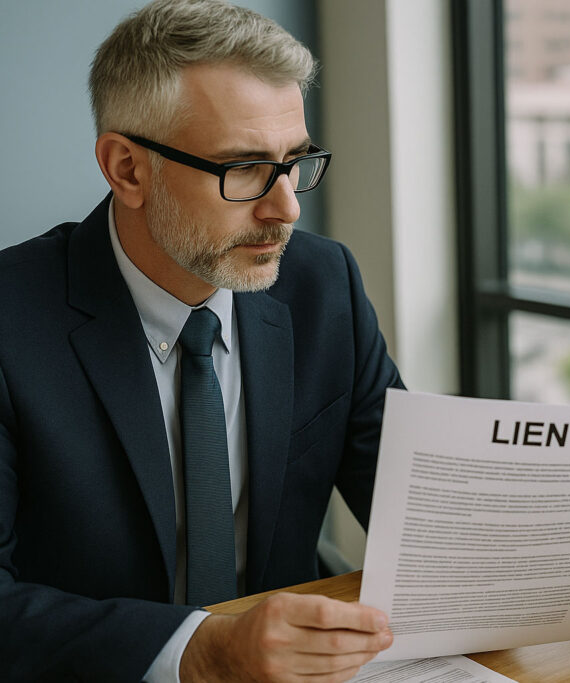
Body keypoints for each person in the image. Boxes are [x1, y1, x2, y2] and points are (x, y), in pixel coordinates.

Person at [0, 1, 403, 681]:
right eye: (243, 168)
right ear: (127, 169)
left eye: (296, 162)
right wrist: (200, 649)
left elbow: (418, 507)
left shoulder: (322, 284)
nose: (287, 209)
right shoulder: (11, 321)